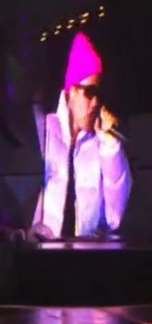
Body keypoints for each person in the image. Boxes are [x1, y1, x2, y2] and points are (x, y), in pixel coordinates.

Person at [32, 31, 132, 239]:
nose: (95, 103)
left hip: (84, 255)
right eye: (89, 92)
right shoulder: (46, 131)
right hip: (43, 253)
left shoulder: (101, 143)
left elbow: (115, 219)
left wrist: (112, 149)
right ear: (70, 93)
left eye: (98, 94)